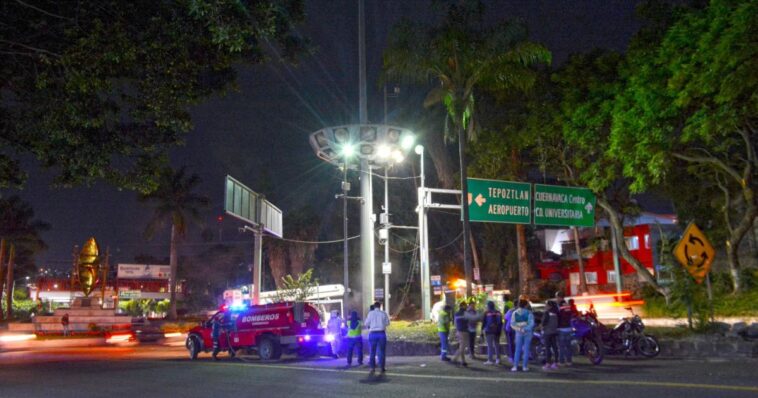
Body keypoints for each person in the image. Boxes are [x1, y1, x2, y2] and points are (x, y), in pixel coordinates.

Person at [364, 301, 390, 373]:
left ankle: (372, 368)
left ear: (374, 306)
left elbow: (366, 323)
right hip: (381, 334)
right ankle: (382, 367)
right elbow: (387, 323)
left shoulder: (370, 313)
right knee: (381, 351)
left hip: (372, 334)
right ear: (380, 306)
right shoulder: (383, 313)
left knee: (372, 352)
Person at [511, 299, 535, 372]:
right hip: (527, 333)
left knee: (517, 350)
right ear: (526, 305)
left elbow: (512, 324)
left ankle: (515, 366)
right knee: (526, 349)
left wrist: (519, 329)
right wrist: (525, 329)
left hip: (518, 332)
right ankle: (524, 366)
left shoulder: (515, 313)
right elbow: (531, 324)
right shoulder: (529, 313)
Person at [481, 301, 503, 365]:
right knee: (497, 345)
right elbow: (500, 322)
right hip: (497, 331)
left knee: (490, 346)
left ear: (488, 306)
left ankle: (490, 360)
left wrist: (482, 331)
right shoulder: (498, 312)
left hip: (489, 331)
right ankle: (498, 359)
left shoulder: (486, 313)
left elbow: (484, 322)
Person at [541, 300, 560, 370]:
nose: (545, 306)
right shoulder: (556, 313)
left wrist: (542, 327)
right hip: (554, 332)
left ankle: (548, 363)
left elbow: (543, 323)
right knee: (555, 348)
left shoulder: (547, 313)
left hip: (547, 332)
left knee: (547, 348)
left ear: (549, 306)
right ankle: (556, 363)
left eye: (546, 305)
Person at [557, 297, 574, 366]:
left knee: (561, 347)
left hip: (561, 329)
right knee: (568, 346)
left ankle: (561, 362)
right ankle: (569, 361)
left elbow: (558, 319)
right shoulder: (569, 310)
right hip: (569, 329)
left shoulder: (560, 310)